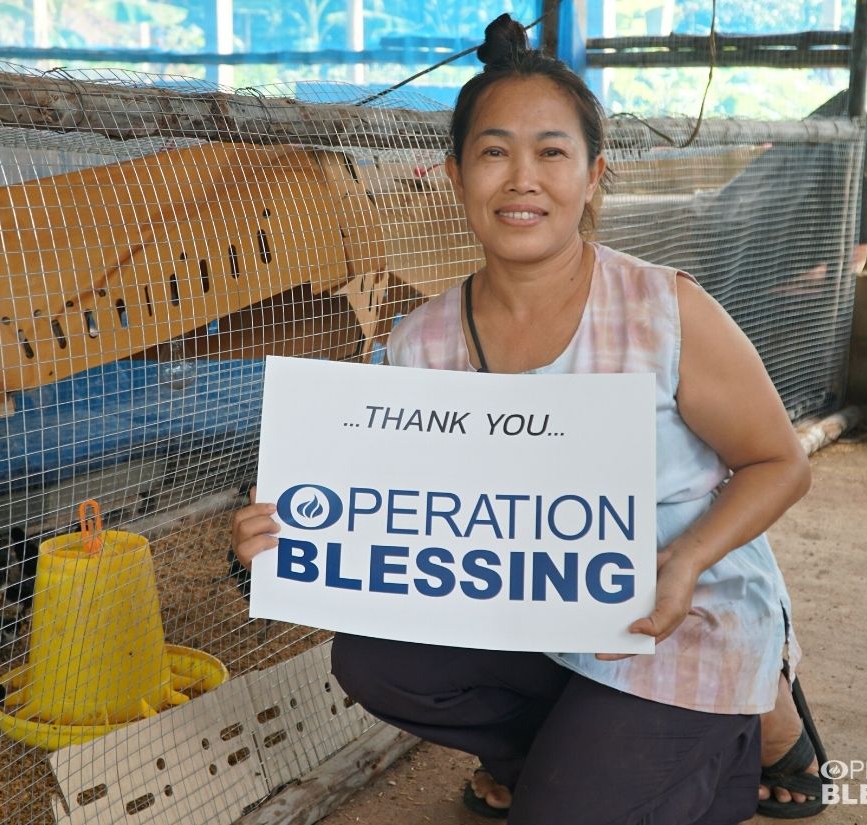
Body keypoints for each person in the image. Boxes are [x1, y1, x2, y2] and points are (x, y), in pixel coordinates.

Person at [232, 14, 825, 823]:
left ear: (592, 174)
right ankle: (549, 755)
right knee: (376, 659)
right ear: (454, 174)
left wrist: (685, 560)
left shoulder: (663, 309)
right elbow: (391, 512)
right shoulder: (420, 342)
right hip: (527, 617)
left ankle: (752, 724)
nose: (522, 179)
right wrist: (280, 538)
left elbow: (780, 462)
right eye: (494, 152)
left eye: (551, 152)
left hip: (674, 615)